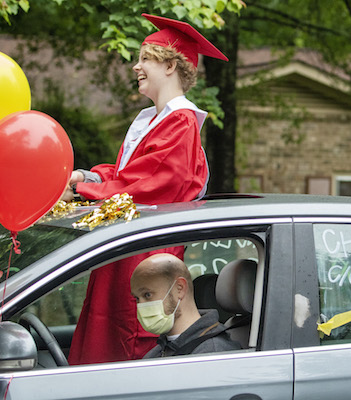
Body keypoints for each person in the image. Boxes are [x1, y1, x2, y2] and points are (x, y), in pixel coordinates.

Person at [65, 13, 229, 365]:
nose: (135, 67)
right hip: (124, 249)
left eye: (144, 59)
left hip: (146, 255)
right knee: (104, 335)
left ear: (169, 65)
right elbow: (127, 171)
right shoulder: (155, 120)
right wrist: (88, 177)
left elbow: (151, 184)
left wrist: (87, 191)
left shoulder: (181, 122)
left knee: (126, 345)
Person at [131, 253, 241, 357]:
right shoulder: (156, 353)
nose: (141, 306)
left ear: (179, 289)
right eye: (137, 298)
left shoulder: (213, 353)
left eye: (147, 294)